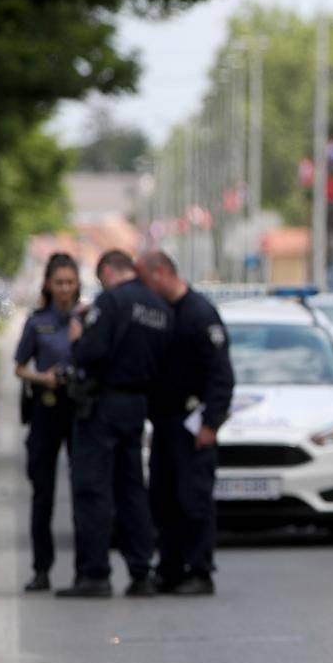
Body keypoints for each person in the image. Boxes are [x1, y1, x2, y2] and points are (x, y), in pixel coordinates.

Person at [55, 250, 172, 599]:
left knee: (93, 489)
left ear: (106, 271)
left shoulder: (111, 301)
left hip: (102, 404)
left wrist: (77, 337)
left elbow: (90, 352)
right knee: (132, 490)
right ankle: (141, 572)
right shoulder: (158, 307)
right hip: (137, 405)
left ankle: (94, 574)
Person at [139, 250, 235, 595]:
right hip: (166, 424)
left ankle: (199, 570)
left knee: (192, 499)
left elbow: (221, 377)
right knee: (163, 499)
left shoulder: (199, 314)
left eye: (144, 278)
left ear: (161, 272)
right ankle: (170, 568)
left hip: (194, 425)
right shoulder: (162, 314)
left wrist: (211, 423)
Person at [13, 252, 82, 592]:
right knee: (43, 492)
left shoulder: (87, 318)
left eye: (70, 282)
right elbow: (19, 366)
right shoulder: (38, 321)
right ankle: (42, 568)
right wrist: (42, 378)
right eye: (59, 282)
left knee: (84, 489)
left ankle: (87, 569)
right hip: (46, 407)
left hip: (80, 409)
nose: (65, 289)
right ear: (48, 285)